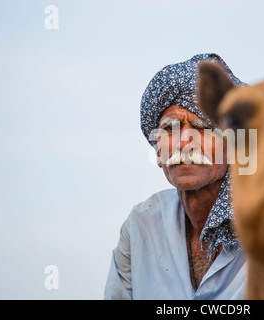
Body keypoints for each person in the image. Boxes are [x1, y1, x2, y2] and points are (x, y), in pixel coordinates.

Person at [104, 53, 247, 299]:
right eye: (170, 128)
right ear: (158, 152)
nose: (184, 142)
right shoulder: (142, 225)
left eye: (203, 126)